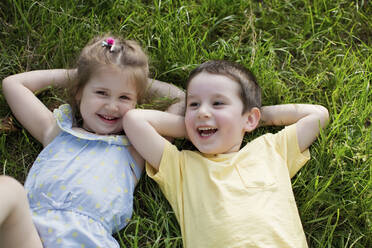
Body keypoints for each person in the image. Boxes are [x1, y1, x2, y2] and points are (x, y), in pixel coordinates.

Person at [1, 34, 184, 248]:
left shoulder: (137, 149)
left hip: (87, 241)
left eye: (124, 97)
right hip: (30, 235)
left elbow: (179, 98)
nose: (112, 106)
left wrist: (136, 77)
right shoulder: (56, 133)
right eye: (101, 92)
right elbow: (13, 84)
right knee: (8, 188)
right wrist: (80, 74)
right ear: (79, 91)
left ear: (137, 102)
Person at [123, 60, 330, 248]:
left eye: (218, 103)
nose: (202, 112)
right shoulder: (180, 167)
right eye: (193, 104)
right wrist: (194, 126)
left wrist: (254, 118)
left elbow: (318, 115)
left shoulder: (271, 149)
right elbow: (134, 120)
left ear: (250, 119)